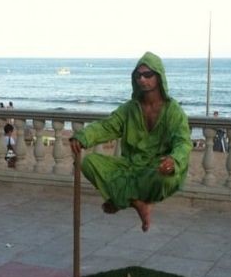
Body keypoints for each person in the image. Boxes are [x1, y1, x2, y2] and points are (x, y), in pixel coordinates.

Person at [69, 52, 192, 232]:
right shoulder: (129, 109)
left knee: (166, 179)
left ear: (159, 77)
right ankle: (138, 203)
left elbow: (183, 141)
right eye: (138, 75)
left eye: (148, 74)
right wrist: (83, 137)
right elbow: (107, 126)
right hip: (130, 167)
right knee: (88, 163)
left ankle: (120, 198)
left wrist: (174, 161)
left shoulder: (173, 111)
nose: (142, 79)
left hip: (154, 169)